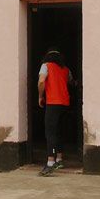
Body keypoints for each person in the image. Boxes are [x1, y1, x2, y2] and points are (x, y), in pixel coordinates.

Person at [37, 47, 73, 176]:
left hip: (52, 102)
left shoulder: (45, 66)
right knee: (59, 131)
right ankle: (59, 159)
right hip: (65, 103)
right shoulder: (66, 69)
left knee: (50, 132)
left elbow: (41, 81)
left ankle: (50, 162)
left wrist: (40, 96)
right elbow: (70, 82)